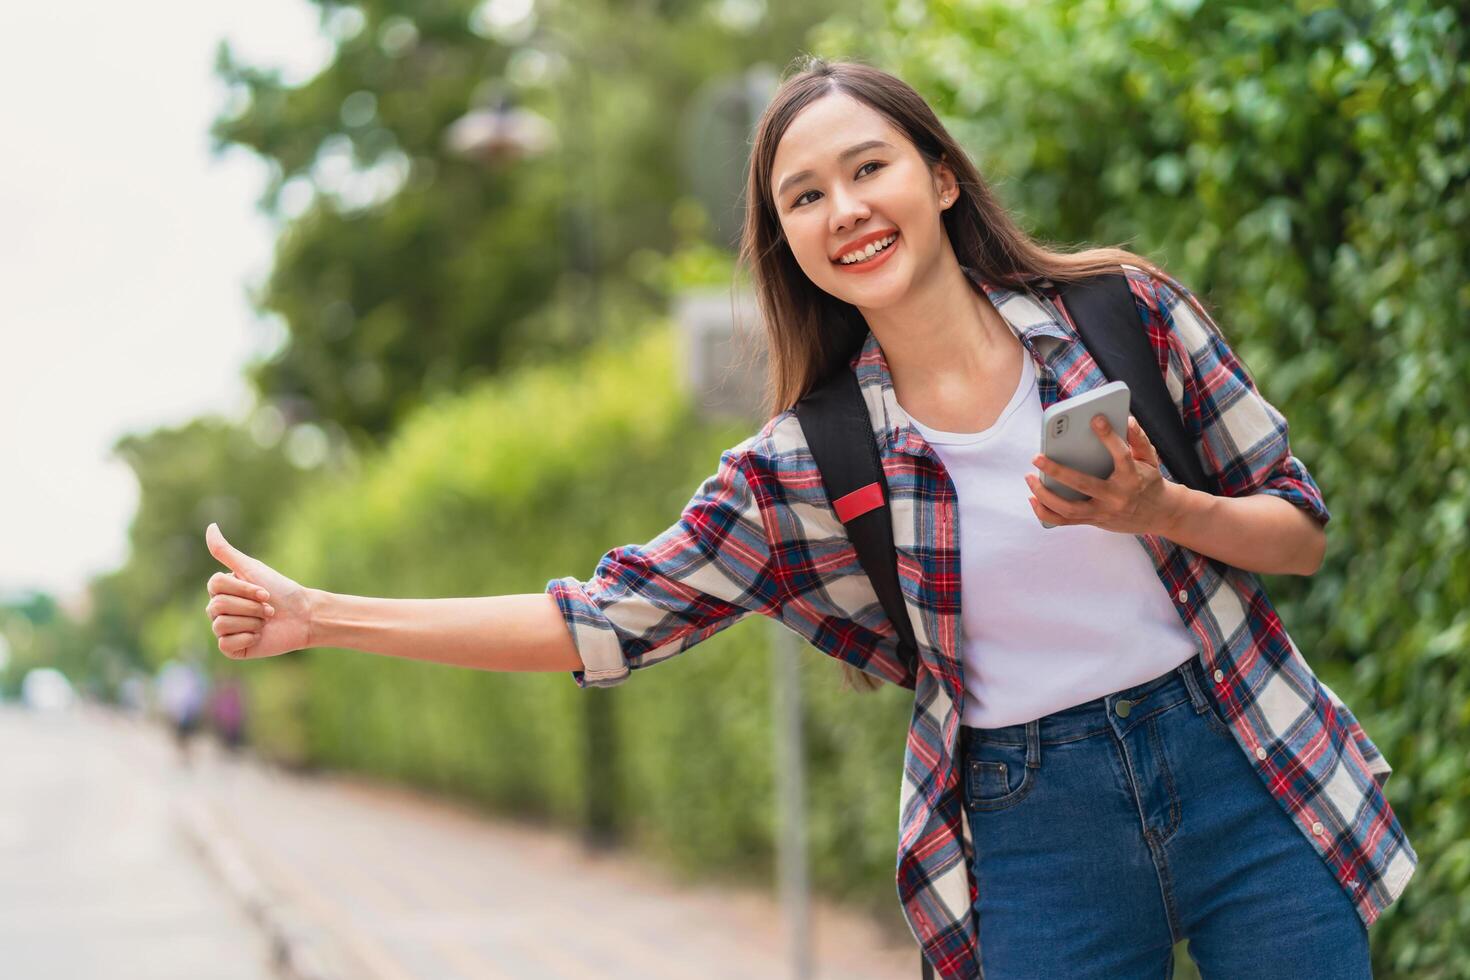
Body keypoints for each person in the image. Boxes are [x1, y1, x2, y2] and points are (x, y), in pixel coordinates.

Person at [201, 56, 1416, 980]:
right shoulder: (800, 466)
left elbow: (1298, 532)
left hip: (1239, 761)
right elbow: (594, 622)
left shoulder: (1122, 312)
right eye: (804, 195)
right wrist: (320, 614)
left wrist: (1163, 505)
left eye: (868, 167)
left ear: (939, 177)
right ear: (787, 240)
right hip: (1035, 827)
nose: (845, 207)